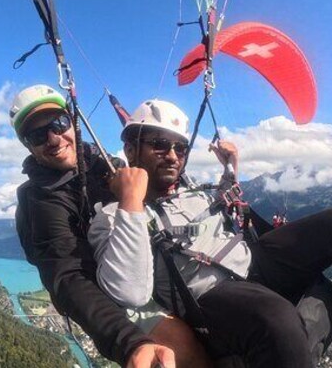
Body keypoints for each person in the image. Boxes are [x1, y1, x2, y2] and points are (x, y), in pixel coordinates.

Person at [88, 98, 332, 367]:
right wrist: (132, 202)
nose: (172, 155)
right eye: (159, 144)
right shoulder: (112, 215)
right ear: (130, 149)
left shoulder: (191, 189)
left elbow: (224, 202)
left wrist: (232, 167)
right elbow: (130, 292)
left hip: (255, 264)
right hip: (211, 297)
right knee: (278, 318)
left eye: (180, 147)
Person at [11, 85, 212, 368]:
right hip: (108, 292)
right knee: (181, 346)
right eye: (37, 135)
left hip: (150, 262)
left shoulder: (105, 165)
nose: (54, 138)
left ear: (72, 121)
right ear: (28, 146)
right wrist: (129, 342)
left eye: (59, 123)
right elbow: (69, 277)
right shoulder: (41, 202)